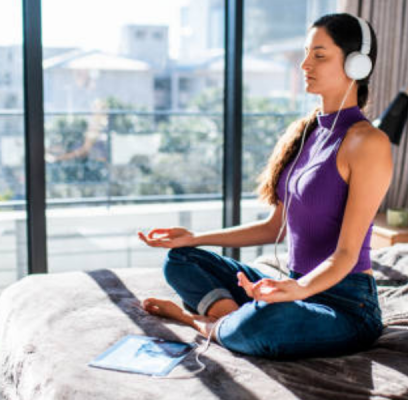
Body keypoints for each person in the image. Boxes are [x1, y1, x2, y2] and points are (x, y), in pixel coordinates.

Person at [137, 13, 392, 360]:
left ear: (356, 65)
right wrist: (194, 238)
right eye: (306, 53)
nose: (305, 64)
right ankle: (234, 323)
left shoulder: (368, 143)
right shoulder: (307, 134)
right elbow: (275, 227)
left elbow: (347, 254)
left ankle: (202, 322)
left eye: (319, 55)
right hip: (295, 288)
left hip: (345, 305)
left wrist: (298, 289)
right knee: (180, 260)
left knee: (271, 320)